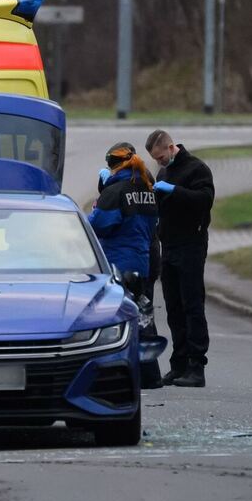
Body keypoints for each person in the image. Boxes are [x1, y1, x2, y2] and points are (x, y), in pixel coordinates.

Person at [145, 129, 215, 388]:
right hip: (169, 246)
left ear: (172, 147)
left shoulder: (197, 169)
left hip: (191, 245)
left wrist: (175, 190)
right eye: (156, 160)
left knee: (192, 305)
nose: (159, 163)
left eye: (161, 158)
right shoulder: (164, 173)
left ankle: (197, 365)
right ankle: (179, 363)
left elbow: (204, 200)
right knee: (173, 308)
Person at [88, 143, 161, 388]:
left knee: (118, 319)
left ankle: (121, 374)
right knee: (143, 316)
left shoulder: (116, 190)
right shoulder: (146, 187)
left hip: (119, 262)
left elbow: (98, 225)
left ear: (113, 166)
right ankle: (150, 375)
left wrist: (95, 208)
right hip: (142, 259)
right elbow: (152, 226)